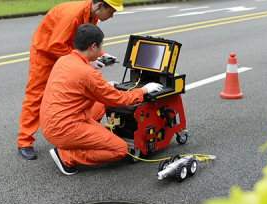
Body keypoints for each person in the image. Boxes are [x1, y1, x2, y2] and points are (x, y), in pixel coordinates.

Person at [40, 24, 163, 175]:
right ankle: (66, 156)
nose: (101, 50)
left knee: (100, 102)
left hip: (50, 122)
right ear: (93, 46)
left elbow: (79, 86)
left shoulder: (64, 60)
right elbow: (118, 99)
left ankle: (87, 139)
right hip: (64, 129)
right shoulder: (88, 74)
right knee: (121, 149)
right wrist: (145, 90)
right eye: (101, 46)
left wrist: (99, 78)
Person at [17, 0, 124, 160]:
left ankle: (71, 134)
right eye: (112, 11)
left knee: (73, 91)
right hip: (45, 52)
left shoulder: (91, 13)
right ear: (100, 5)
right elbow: (55, 45)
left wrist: (101, 54)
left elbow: (85, 40)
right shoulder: (72, 15)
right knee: (36, 94)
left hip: (65, 50)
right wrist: (85, 59)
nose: (112, 16)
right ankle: (24, 141)